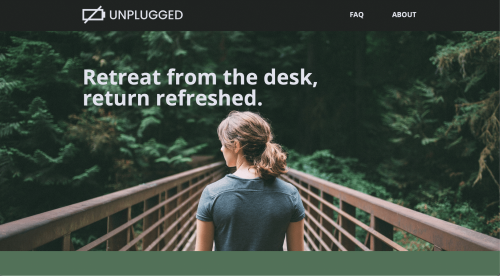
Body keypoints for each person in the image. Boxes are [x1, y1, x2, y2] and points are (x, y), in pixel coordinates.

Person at [195, 111, 305, 251]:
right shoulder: (290, 194)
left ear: (236, 145)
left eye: (223, 143)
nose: (221, 149)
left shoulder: (213, 193)